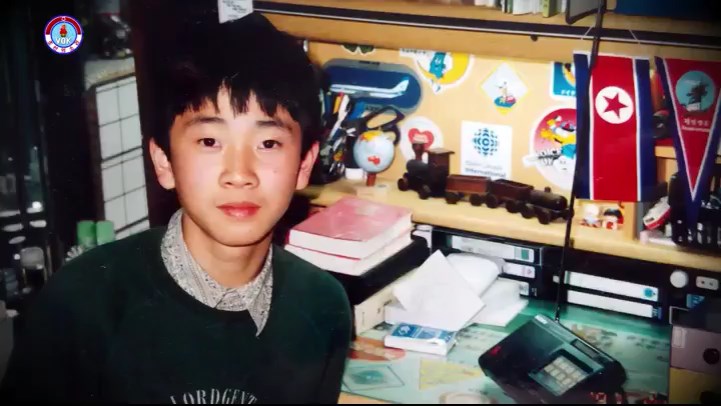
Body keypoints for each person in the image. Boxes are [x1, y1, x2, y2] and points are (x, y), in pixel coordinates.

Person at [0, 13, 352, 404]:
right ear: (164, 162)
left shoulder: (322, 306)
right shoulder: (82, 303)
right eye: (209, 142)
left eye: (268, 144)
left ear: (304, 164)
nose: (239, 174)